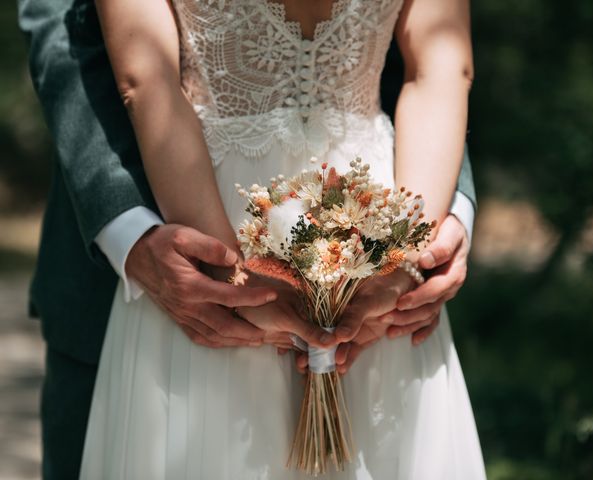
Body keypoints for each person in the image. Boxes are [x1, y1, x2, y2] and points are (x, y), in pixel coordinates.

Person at [17, 0, 481, 478]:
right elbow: (441, 68)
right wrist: (398, 252)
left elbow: (146, 80)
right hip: (343, 226)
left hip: (231, 208)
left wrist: (414, 247)